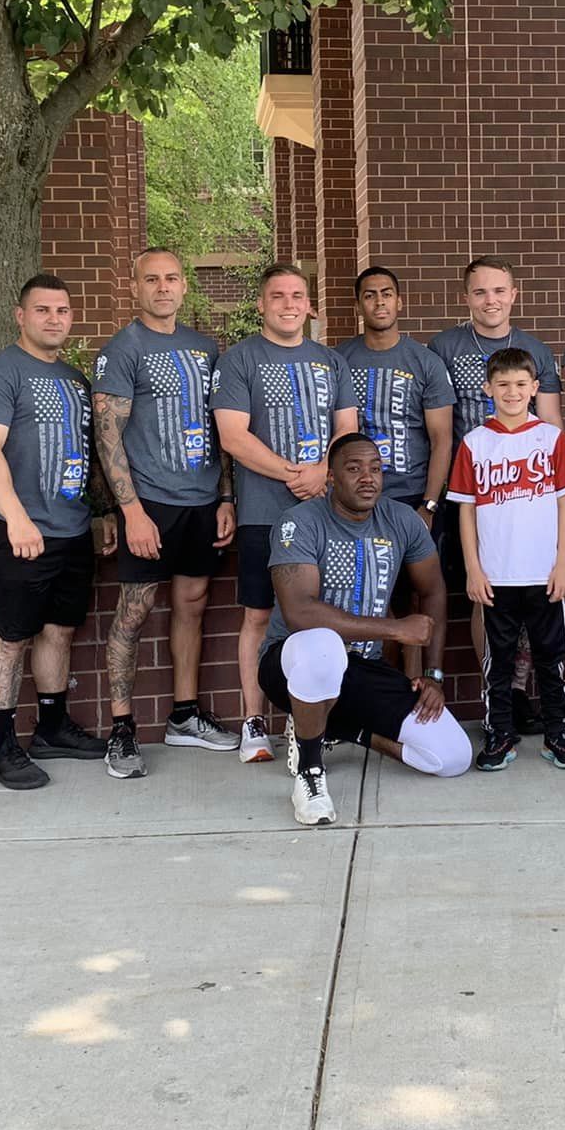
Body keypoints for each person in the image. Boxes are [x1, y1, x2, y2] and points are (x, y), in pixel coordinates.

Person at [0, 274, 118, 789]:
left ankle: (51, 729)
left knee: (59, 630)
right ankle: (2, 747)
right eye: (43, 310)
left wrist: (104, 511)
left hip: (72, 531)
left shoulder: (74, 379)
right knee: (11, 639)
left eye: (62, 311)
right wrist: (17, 518)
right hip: (23, 533)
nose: (54, 319)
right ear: (20, 316)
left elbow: (91, 455)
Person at [262, 435, 462, 825]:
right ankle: (310, 771)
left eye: (374, 468)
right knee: (322, 646)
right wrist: (394, 629)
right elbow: (299, 611)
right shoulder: (299, 522)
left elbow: (434, 591)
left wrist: (433, 675)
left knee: (451, 757)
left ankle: (337, 724)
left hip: (360, 667)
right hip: (289, 661)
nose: (367, 478)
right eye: (354, 469)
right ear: (331, 476)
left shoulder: (401, 520)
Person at [93, 248, 240, 774]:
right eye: (151, 279)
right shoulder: (122, 349)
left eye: (171, 278)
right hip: (148, 503)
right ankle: (123, 728)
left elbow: (222, 428)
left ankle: (183, 717)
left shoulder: (205, 349)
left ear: (184, 286)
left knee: (192, 603)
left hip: (200, 500)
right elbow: (106, 436)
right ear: (134, 286)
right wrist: (129, 509)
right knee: (134, 612)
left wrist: (225, 495)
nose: (162, 287)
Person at [216, 264, 359, 764]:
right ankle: (254, 724)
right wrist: (294, 474)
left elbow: (347, 428)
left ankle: (310, 725)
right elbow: (233, 435)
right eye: (278, 296)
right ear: (261, 304)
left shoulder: (330, 361)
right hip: (264, 510)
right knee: (258, 613)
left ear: (309, 303)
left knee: (318, 616)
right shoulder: (239, 360)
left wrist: (325, 470)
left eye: (297, 295)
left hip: (325, 512)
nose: (288, 303)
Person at [428, 256, 565, 730]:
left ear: (514, 294)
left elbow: (550, 425)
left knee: (533, 603)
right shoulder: (444, 346)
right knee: (483, 594)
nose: (491, 300)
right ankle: (497, 693)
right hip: (472, 490)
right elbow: (440, 428)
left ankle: (524, 697)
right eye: (480, 292)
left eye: (499, 291)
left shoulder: (535, 351)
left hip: (524, 493)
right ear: (467, 297)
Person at [446, 348, 565, 772]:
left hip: (543, 572)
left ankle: (557, 732)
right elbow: (466, 510)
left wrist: (563, 563)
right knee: (497, 662)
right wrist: (473, 567)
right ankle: (500, 733)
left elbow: (563, 504)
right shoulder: (474, 442)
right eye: (503, 384)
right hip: (496, 575)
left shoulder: (551, 438)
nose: (512, 392)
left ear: (535, 388)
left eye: (521, 384)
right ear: (488, 388)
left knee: (551, 659)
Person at [339, 267, 455, 678]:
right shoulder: (341, 360)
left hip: (410, 498)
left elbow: (442, 438)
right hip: (359, 502)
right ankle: (379, 689)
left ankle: (425, 684)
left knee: (422, 596)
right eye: (369, 295)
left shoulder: (425, 361)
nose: (380, 302)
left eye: (387, 294)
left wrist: (428, 503)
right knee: (369, 600)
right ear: (359, 305)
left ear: (399, 301)